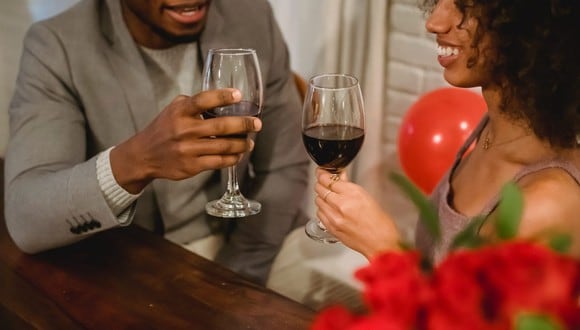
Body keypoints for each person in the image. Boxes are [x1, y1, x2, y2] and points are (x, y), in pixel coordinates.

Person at [4, 0, 310, 285]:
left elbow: (284, 165)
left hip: (251, 237)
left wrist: (236, 276)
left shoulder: (250, 14)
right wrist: (136, 162)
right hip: (139, 261)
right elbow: (27, 218)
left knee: (351, 292)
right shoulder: (57, 45)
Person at [313, 0, 580, 262]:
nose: (434, 22)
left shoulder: (545, 204)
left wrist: (385, 249)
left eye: (466, 6)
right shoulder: (492, 128)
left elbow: (466, 309)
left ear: (530, 25)